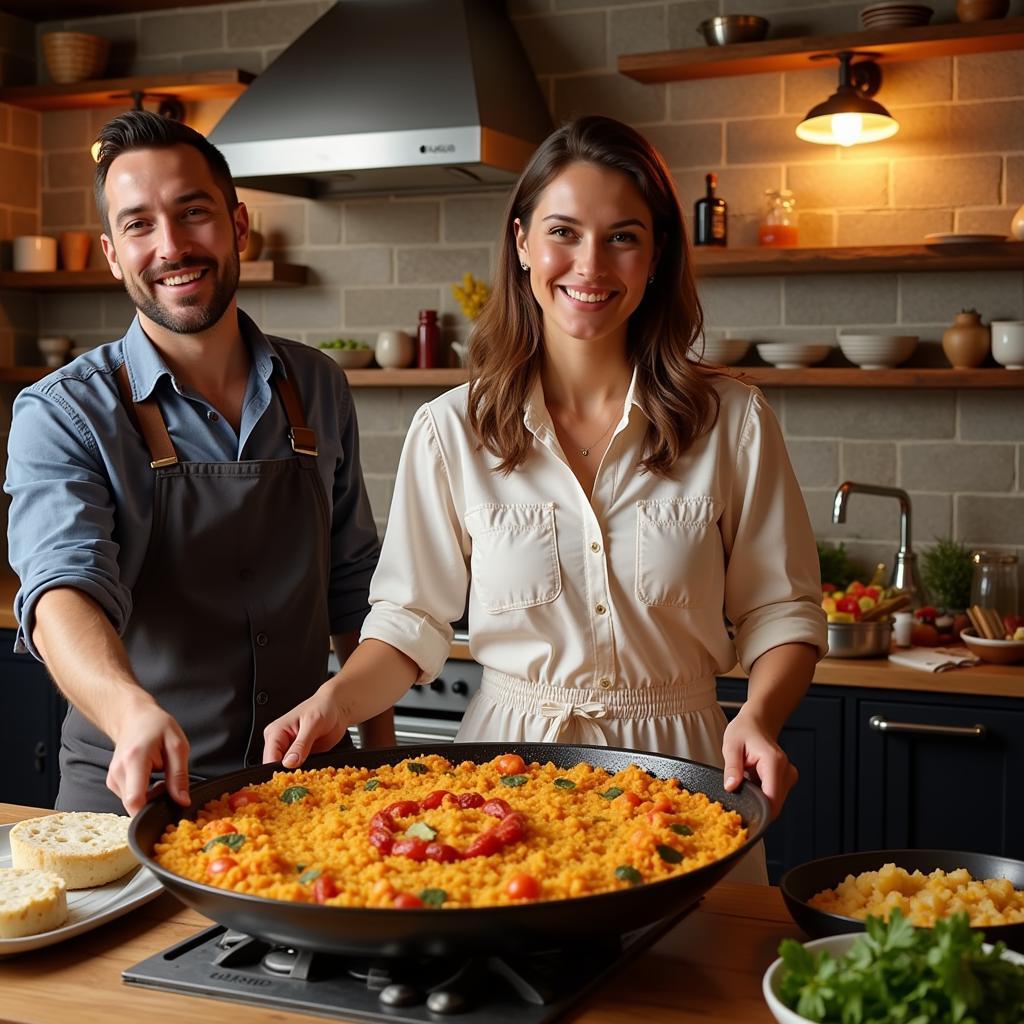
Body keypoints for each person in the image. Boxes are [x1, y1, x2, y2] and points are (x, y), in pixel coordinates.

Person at [262, 116, 827, 881]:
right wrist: (336, 699)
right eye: (564, 231)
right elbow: (408, 621)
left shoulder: (732, 421)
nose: (590, 264)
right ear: (523, 241)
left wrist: (759, 716)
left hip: (686, 773)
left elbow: (781, 612)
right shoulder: (451, 429)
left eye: (623, 236)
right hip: (505, 783)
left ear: (656, 254)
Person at [4, 110, 391, 817]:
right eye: (139, 225)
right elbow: (61, 588)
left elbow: (353, 582)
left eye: (193, 214)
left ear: (239, 227)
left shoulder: (319, 385)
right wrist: (128, 711)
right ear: (113, 254)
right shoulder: (62, 410)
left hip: (309, 791)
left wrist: (384, 754)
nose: (173, 246)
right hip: (132, 796)